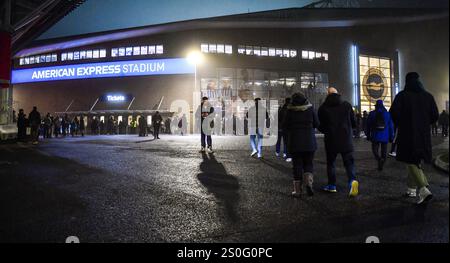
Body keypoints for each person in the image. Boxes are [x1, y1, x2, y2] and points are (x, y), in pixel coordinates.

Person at [390, 72, 439, 204]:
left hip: (407, 133)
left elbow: (393, 113)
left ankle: (423, 189)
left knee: (410, 160)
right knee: (416, 160)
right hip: (423, 134)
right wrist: (423, 122)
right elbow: (435, 115)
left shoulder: (402, 96)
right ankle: (411, 189)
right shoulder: (428, 96)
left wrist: (403, 122)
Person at [318, 87, 359, 197]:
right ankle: (352, 181)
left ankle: (332, 185)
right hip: (346, 139)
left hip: (331, 139)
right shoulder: (346, 105)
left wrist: (326, 130)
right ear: (338, 94)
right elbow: (354, 122)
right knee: (349, 163)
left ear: (328, 94)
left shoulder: (323, 108)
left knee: (331, 163)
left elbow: (320, 125)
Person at [284, 93, 319, 197]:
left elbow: (284, 125)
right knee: (308, 163)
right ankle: (308, 182)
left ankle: (297, 191)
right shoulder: (310, 109)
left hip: (295, 142)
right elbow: (317, 123)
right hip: (309, 142)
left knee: (297, 166)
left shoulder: (289, 110)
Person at [365, 100, 395, 171]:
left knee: (375, 150)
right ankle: (382, 162)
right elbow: (391, 126)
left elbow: (367, 125)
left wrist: (368, 134)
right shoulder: (387, 114)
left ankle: (379, 159)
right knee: (384, 151)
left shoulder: (372, 114)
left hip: (375, 135)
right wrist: (391, 136)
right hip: (385, 136)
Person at [276, 98, 292, 162]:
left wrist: (279, 127)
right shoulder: (291, 109)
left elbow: (278, 119)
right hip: (287, 128)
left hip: (281, 127)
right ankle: (285, 153)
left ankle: (277, 151)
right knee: (287, 142)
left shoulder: (281, 109)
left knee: (280, 140)